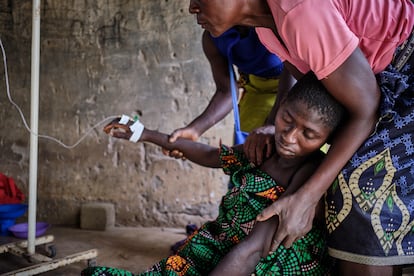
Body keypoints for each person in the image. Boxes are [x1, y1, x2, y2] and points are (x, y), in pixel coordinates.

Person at [188, 0, 414, 275]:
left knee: (359, 184)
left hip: (404, 74)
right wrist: (274, 126)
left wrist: (307, 197)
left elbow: (365, 110)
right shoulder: (267, 28)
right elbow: (316, 88)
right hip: (375, 85)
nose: (192, 7)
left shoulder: (301, 11)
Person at [81, 73, 345, 275]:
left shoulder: (308, 174)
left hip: (263, 264)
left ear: (328, 138)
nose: (289, 137)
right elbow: (211, 155)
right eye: (286, 119)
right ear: (280, 106)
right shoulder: (262, 149)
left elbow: (254, 249)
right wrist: (145, 134)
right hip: (223, 247)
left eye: (308, 134)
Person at [164, 25, 283, 159]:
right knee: (247, 159)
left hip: (295, 97)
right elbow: (227, 91)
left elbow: (297, 78)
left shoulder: (274, 24)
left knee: (279, 161)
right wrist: (195, 130)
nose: (193, 9)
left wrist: (273, 124)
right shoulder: (213, 38)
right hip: (255, 95)